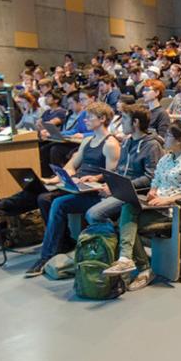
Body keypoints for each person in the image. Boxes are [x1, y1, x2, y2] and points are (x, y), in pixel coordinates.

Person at [100, 121, 181, 288]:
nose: (165, 139)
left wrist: (167, 200)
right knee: (128, 207)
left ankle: (141, 266)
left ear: (179, 141)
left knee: (126, 224)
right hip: (155, 205)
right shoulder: (165, 158)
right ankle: (128, 260)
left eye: (168, 136)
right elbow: (156, 180)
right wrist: (153, 190)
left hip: (173, 210)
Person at [24, 101, 121, 277]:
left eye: (90, 117)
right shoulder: (87, 140)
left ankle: (47, 256)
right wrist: (65, 177)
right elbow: (71, 165)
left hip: (95, 192)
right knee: (43, 197)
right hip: (79, 186)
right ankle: (62, 242)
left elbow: (110, 175)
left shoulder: (111, 144)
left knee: (59, 203)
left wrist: (94, 178)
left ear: (102, 119)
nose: (86, 120)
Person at [83, 104, 163, 256]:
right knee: (90, 206)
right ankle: (113, 251)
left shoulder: (152, 145)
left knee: (94, 214)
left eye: (125, 119)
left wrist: (119, 187)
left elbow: (151, 177)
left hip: (137, 194)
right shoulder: (127, 142)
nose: (121, 123)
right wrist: (109, 183)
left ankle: (114, 250)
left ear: (136, 123)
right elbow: (120, 170)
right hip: (121, 191)